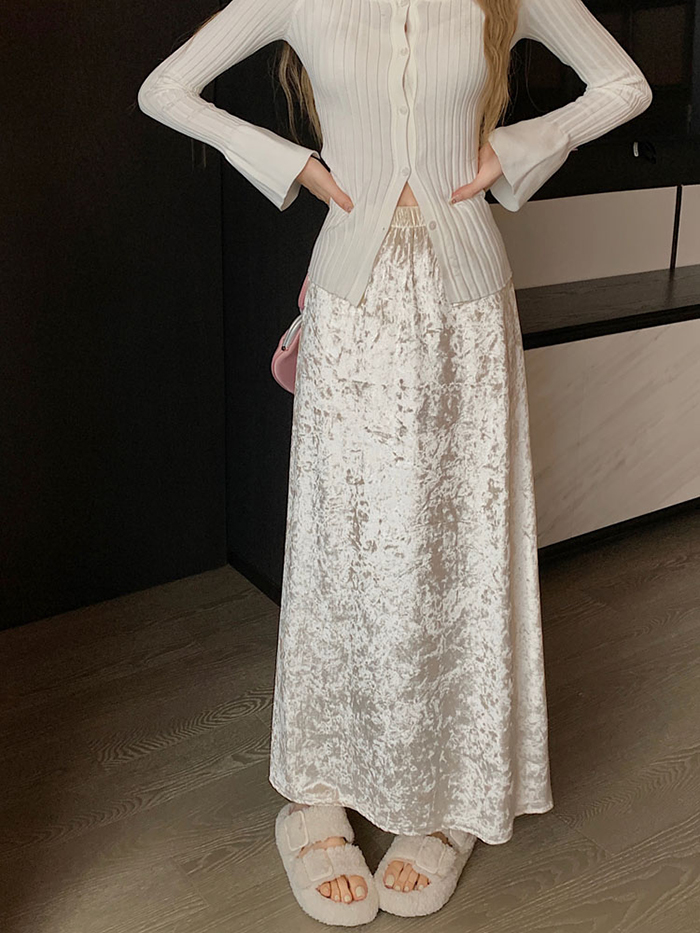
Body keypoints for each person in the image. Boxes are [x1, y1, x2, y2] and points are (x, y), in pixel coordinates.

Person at [138, 0, 652, 923]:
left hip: (468, 308)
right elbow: (165, 88)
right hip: (353, 302)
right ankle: (316, 790)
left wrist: (516, 150)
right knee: (343, 551)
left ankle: (450, 794)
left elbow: (624, 84)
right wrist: (292, 164)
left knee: (459, 554)